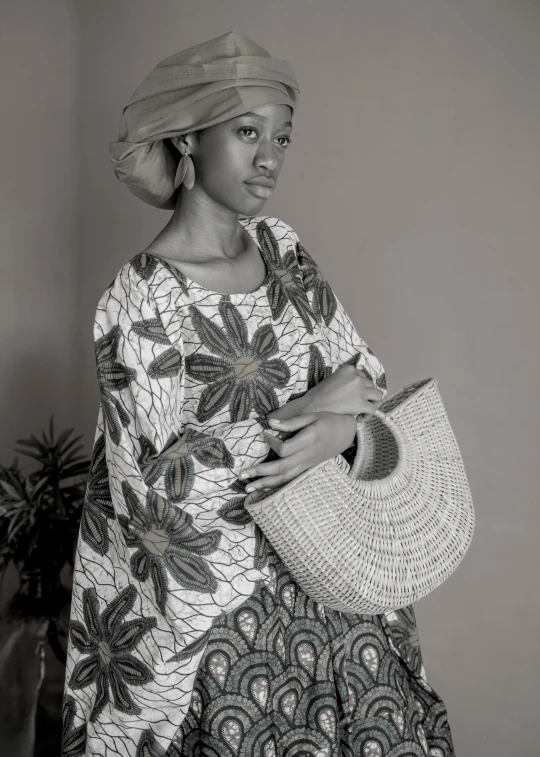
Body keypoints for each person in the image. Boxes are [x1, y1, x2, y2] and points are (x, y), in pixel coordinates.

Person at [61, 31, 455, 757]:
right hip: (216, 629)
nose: (269, 156)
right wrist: (310, 414)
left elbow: (367, 382)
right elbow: (151, 491)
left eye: (282, 136)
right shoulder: (140, 298)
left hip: (336, 576)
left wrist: (341, 431)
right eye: (247, 132)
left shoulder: (284, 250)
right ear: (187, 137)